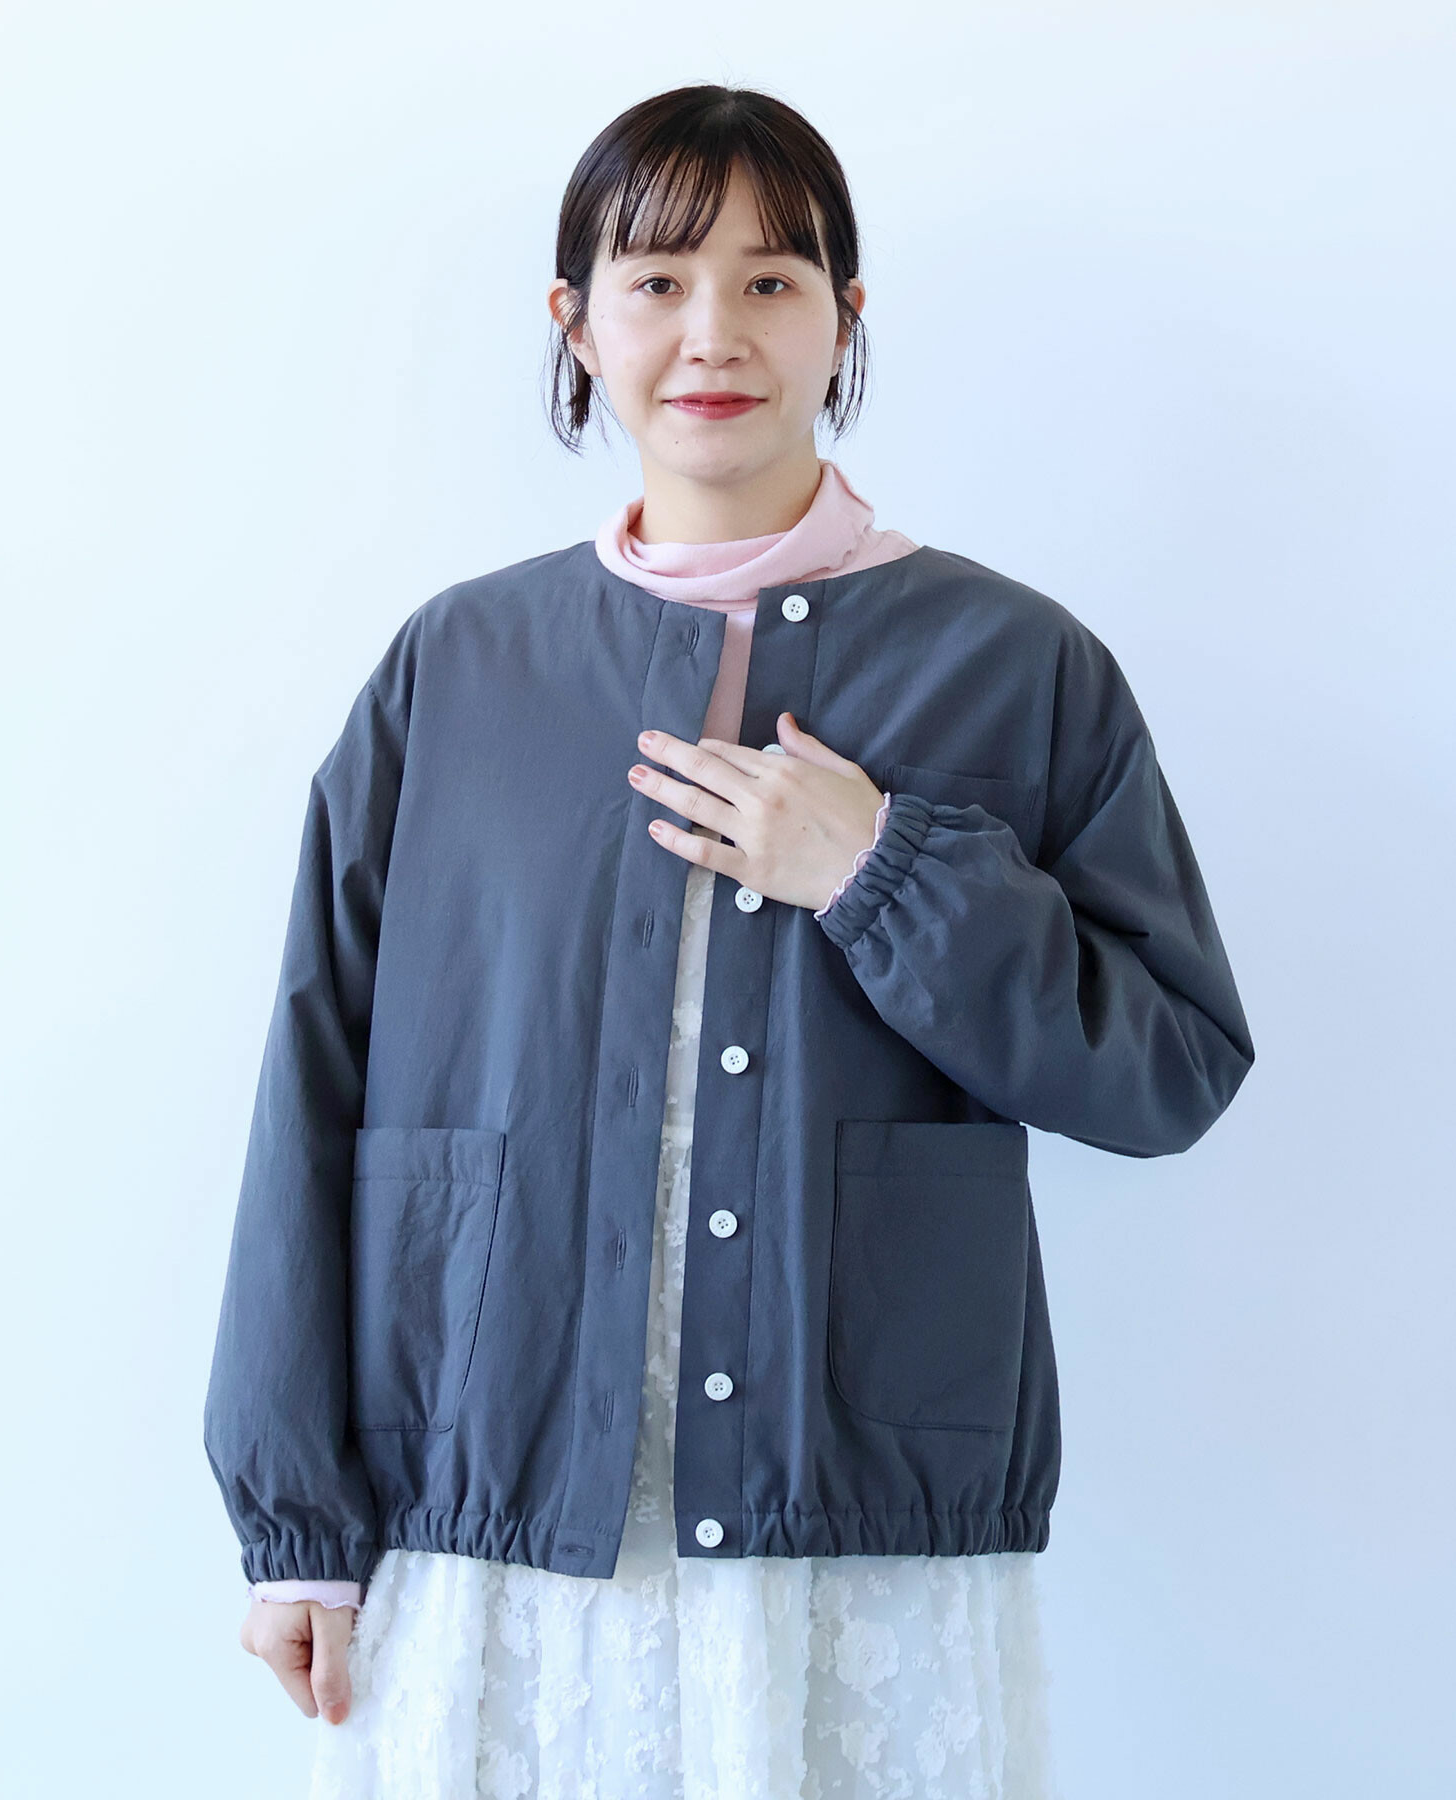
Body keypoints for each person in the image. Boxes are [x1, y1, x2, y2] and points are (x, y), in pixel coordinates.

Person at [210, 82, 1253, 1799]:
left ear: (847, 318)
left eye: (774, 280)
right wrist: (295, 1523)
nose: (715, 332)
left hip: (849, 1534)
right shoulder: (453, 670)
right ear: (576, 321)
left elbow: (1171, 1071)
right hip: (494, 1514)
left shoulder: (1017, 665)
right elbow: (312, 1090)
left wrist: (881, 871)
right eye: (658, 281)